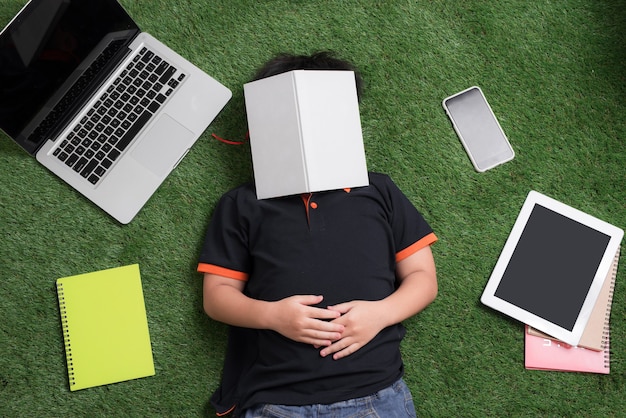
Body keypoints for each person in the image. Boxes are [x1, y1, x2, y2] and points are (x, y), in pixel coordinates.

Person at [198, 51, 438, 418]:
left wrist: (381, 313)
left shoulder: (378, 190)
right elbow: (216, 297)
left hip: (374, 393)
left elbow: (424, 278)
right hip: (277, 400)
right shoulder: (241, 205)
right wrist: (272, 316)